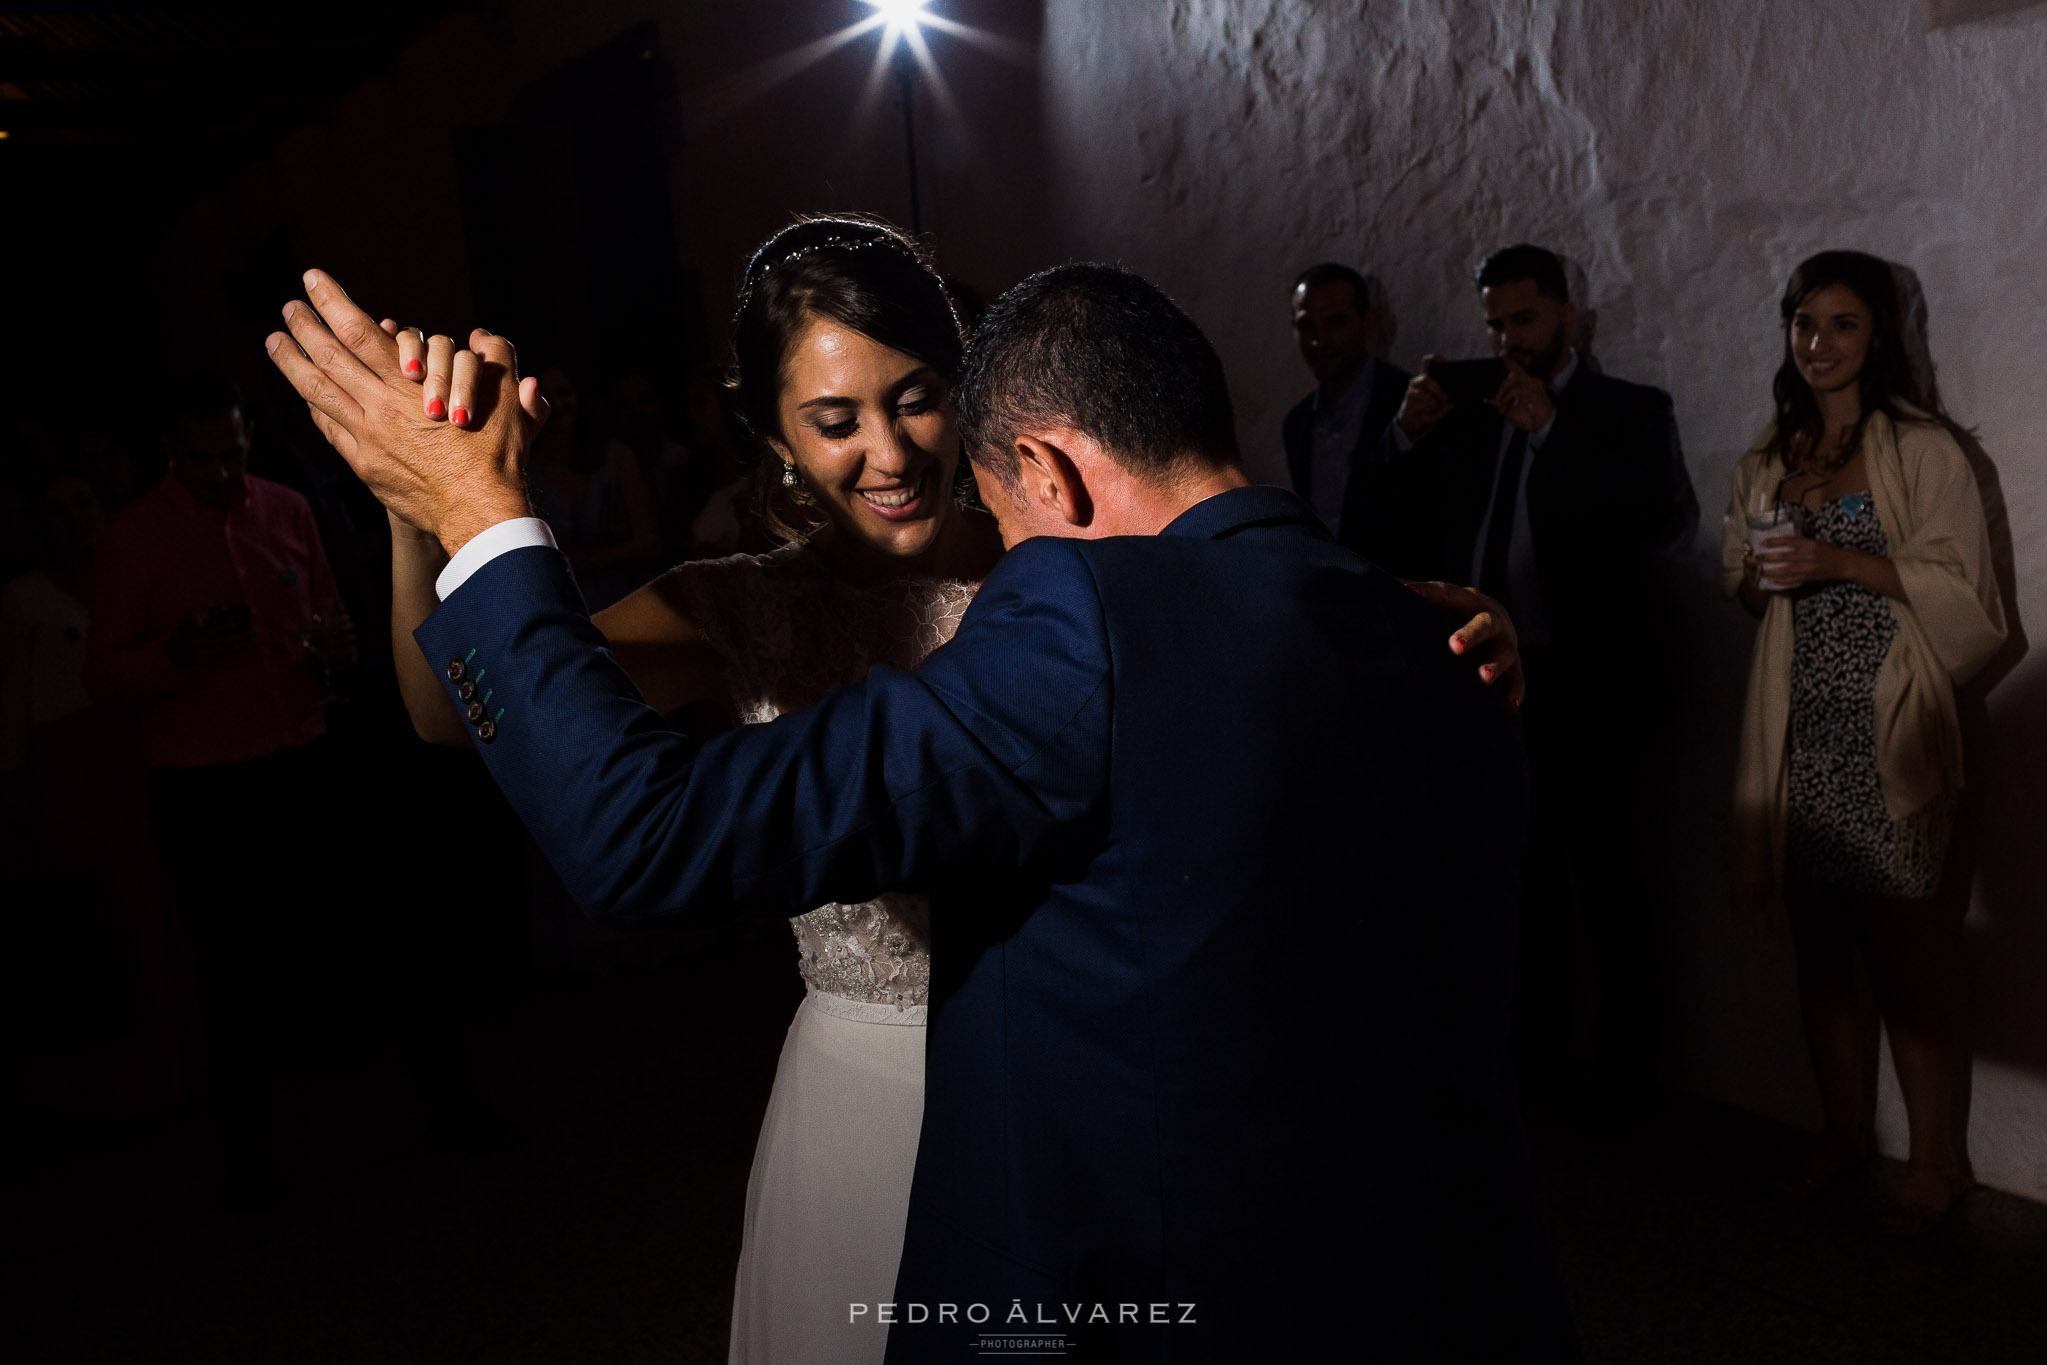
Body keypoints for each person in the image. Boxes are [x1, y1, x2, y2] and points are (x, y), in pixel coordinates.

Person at [269, 254, 1571, 1361]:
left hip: (1113, 1225)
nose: (892, 458)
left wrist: (479, 504)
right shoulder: (1396, 626)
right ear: (775, 439)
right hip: (1391, 1250)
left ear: (1032, 464)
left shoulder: (1078, 608)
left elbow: (639, 833)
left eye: (921, 413)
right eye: (833, 419)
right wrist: (419, 514)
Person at [1724, 250, 2004, 1235]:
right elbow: (1747, 583)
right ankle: (1841, 1132)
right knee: (1818, 952)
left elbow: (1970, 603)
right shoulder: (1773, 452)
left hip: (1886, 726)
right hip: (1797, 729)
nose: (1820, 344)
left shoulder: (1925, 450)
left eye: (1842, 324)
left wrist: (1834, 556)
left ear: (1877, 334)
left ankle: (1939, 1162)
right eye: (1804, 323)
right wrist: (1764, 571)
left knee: (1906, 954)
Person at [1388, 242, 1699, 1106]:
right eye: (1494, 322)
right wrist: (1405, 438)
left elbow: (1655, 520)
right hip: (1487, 680)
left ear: (1567, 312)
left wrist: (1553, 435)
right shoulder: (1475, 407)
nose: (1508, 338)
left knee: (1610, 880)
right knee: (1512, 877)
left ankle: (1631, 1082)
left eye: (1523, 318)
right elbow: (1405, 526)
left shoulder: (1625, 408)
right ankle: (1532, 1074)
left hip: (1590, 683)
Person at [81, 374, 357, 1203]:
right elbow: (103, 674)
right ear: (173, 453)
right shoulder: (132, 541)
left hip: (297, 755)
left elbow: (330, 614)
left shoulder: (284, 507)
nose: (220, 472)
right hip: (203, 780)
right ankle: (251, 1161)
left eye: (231, 453)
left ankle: (337, 1127)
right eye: (202, 458)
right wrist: (175, 655)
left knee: (319, 947)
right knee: (230, 972)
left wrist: (333, 645)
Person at [1279, 263, 1417, 571]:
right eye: (1307, 326)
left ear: (1367, 322)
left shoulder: (1409, 403)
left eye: (1336, 323)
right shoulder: (1297, 423)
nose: (1320, 340)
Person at [525, 362, 663, 611]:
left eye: (564, 392)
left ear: (579, 395)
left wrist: (586, 560)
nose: (556, 403)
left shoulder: (615, 456)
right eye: (545, 395)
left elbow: (649, 542)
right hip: (563, 609)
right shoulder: (525, 468)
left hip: (626, 602)